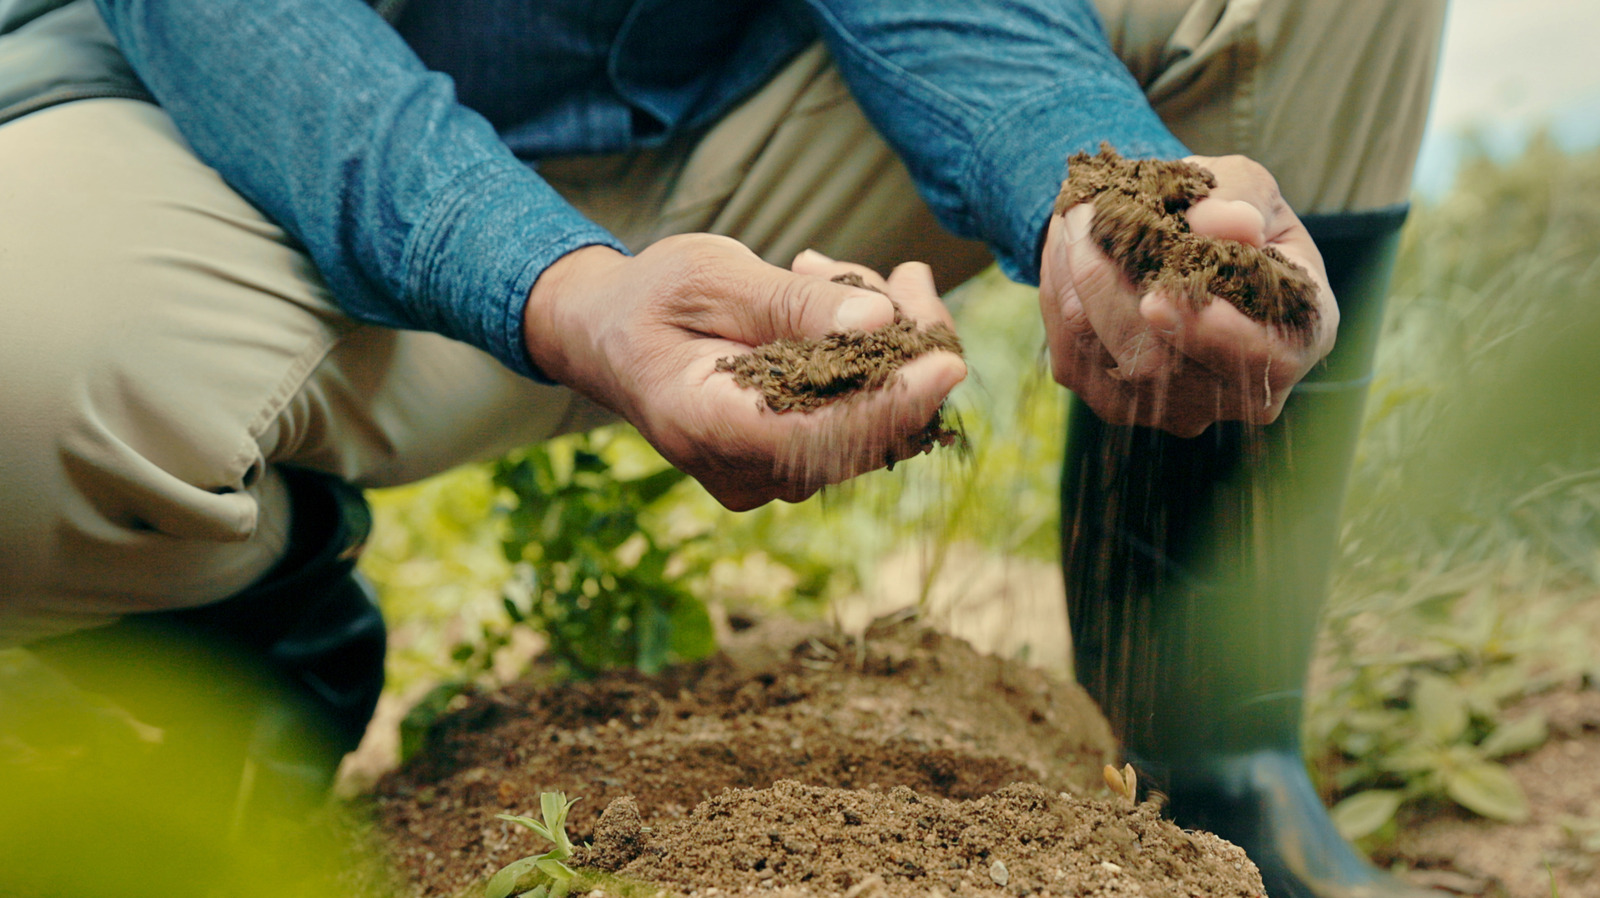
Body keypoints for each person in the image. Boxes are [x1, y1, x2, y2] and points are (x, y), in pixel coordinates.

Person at [0, 0, 1445, 895]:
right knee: (24, 367)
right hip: (261, 138)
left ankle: (1217, 757)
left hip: (761, 93)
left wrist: (1087, 187)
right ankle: (245, 627)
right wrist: (559, 287)